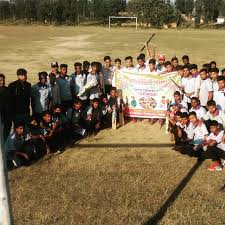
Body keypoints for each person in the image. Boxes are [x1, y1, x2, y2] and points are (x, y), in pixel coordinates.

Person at [8, 68, 31, 133]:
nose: (24, 77)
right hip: (16, 113)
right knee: (17, 131)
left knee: (26, 130)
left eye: (25, 75)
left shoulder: (28, 85)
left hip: (26, 112)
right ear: (18, 76)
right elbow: (10, 101)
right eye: (22, 75)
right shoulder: (12, 85)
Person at [0, 74, 12, 141]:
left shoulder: (8, 90)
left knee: (6, 135)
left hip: (8, 117)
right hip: (1, 117)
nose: (2, 82)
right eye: (0, 80)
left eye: (3, 80)